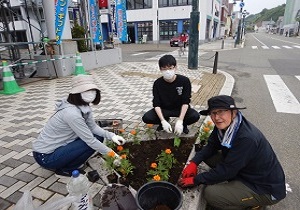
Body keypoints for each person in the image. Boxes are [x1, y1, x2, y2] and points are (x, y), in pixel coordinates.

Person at [178, 95, 286, 209]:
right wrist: (194, 163)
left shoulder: (246, 138)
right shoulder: (225, 126)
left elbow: (227, 170)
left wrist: (196, 180)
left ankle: (254, 205)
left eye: (221, 112)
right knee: (208, 155)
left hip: (263, 187)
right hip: (245, 170)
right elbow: (211, 146)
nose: (216, 117)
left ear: (233, 112)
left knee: (211, 194)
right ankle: (235, 186)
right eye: (213, 113)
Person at [32, 75, 126, 177]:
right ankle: (66, 169)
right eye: (85, 91)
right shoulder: (72, 113)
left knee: (98, 137)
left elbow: (93, 127)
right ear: (76, 93)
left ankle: (69, 161)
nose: (90, 94)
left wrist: (112, 136)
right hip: (46, 157)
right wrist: (112, 155)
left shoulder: (83, 106)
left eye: (92, 91)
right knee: (91, 142)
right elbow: (89, 140)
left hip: (57, 148)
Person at [142, 54, 200, 135]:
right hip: (164, 109)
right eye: (164, 69)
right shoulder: (157, 83)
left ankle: (183, 124)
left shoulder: (184, 81)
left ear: (175, 67)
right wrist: (162, 121)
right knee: (147, 118)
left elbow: (185, 102)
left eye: (170, 68)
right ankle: (164, 121)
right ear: (160, 69)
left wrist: (180, 120)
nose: (168, 71)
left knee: (194, 116)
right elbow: (156, 104)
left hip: (179, 108)